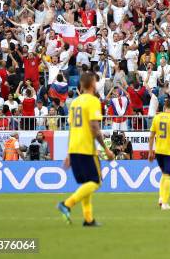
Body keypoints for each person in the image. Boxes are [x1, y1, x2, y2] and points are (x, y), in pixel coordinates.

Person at [57, 72, 114, 227]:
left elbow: (71, 129)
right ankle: (67, 204)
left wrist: (69, 153)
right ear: (93, 84)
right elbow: (94, 127)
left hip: (75, 148)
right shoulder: (93, 101)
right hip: (86, 148)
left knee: (87, 183)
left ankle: (88, 219)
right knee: (96, 182)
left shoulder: (74, 103)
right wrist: (106, 149)